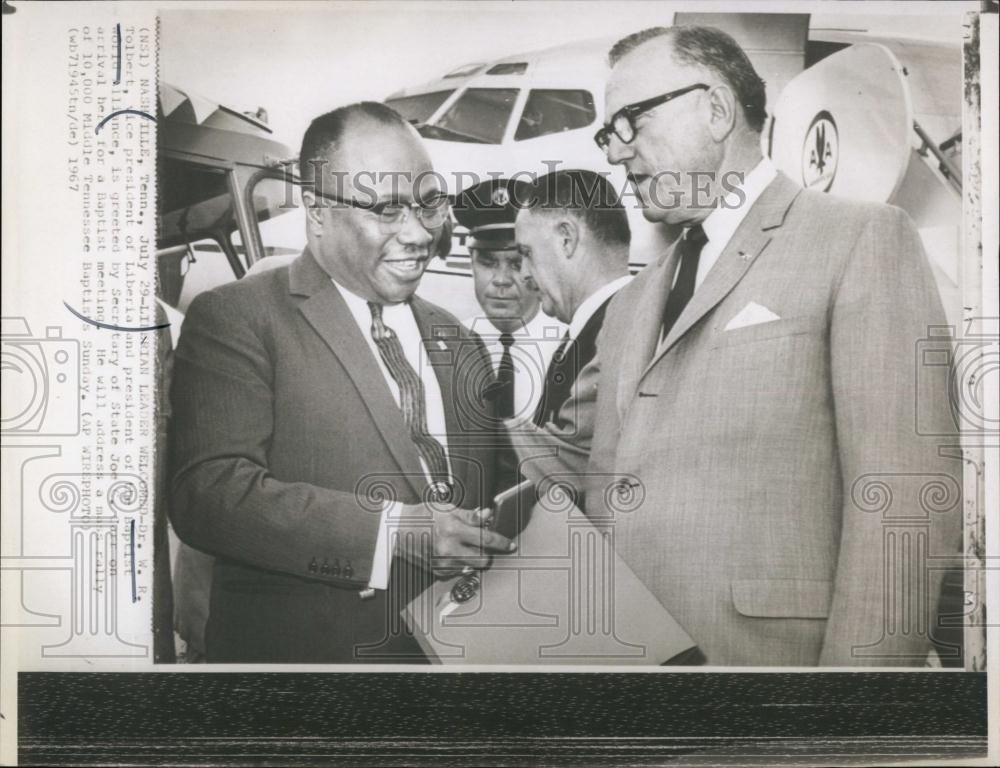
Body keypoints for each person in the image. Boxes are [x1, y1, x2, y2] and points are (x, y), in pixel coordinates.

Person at [526, 26, 960, 666]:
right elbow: (594, 474)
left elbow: (905, 502)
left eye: (631, 122)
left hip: (778, 693)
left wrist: (849, 721)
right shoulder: (633, 301)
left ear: (717, 109)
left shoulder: (859, 240)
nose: (617, 152)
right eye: (606, 132)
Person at [168, 102, 513, 664]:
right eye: (388, 210)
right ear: (318, 210)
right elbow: (208, 495)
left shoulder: (461, 340)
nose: (420, 233)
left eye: (429, 205)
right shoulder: (238, 318)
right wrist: (393, 532)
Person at [513, 169, 632, 427]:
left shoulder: (615, 337)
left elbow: (568, 457)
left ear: (567, 239)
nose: (522, 273)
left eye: (527, 253)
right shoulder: (612, 323)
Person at [454, 178, 565, 426]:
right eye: (488, 262)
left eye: (516, 264)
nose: (501, 280)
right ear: (471, 261)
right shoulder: (451, 345)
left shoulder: (571, 349)